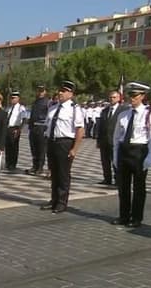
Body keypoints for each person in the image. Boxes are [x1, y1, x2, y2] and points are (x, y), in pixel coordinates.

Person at [111, 82, 151, 228]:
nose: (131, 98)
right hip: (124, 151)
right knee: (123, 187)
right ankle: (124, 216)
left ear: (142, 96)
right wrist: (115, 155)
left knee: (139, 187)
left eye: (135, 95)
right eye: (130, 95)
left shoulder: (149, 114)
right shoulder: (123, 115)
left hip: (139, 152)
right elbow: (116, 137)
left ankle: (137, 217)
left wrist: (150, 157)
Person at [40, 80, 85, 214]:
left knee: (63, 173)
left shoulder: (74, 109)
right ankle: (53, 199)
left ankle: (61, 202)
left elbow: (80, 130)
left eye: (64, 91)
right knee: (53, 173)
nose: (60, 93)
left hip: (65, 143)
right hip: (52, 142)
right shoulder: (53, 107)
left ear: (71, 93)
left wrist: (74, 149)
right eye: (60, 90)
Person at [95, 91, 124, 186]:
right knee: (105, 161)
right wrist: (98, 140)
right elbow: (100, 126)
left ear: (119, 98)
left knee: (116, 161)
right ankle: (107, 179)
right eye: (111, 97)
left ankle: (118, 179)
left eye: (114, 97)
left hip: (116, 141)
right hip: (104, 141)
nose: (112, 99)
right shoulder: (105, 111)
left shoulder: (123, 110)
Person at [26, 85, 50, 175]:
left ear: (45, 92)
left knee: (41, 148)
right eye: (39, 91)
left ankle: (40, 167)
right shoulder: (35, 102)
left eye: (42, 91)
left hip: (41, 126)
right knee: (34, 148)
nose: (40, 93)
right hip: (33, 127)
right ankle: (34, 166)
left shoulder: (47, 102)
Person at [4, 91, 27, 172]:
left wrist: (19, 129)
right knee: (8, 146)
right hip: (8, 128)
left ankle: (12, 164)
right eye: (11, 98)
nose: (12, 99)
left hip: (15, 128)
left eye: (14, 98)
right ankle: (7, 163)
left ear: (18, 98)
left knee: (14, 147)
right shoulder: (9, 108)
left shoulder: (21, 108)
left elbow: (24, 119)